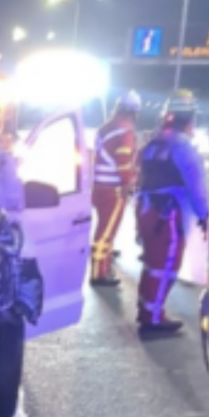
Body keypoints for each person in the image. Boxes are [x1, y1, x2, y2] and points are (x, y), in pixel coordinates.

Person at [134, 89, 209, 332]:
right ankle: (153, 317)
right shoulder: (183, 146)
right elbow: (196, 184)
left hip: (146, 210)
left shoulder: (154, 142)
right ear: (188, 119)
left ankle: (146, 309)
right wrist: (204, 215)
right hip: (166, 214)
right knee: (165, 265)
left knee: (152, 263)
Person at [90, 90, 142, 287]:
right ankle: (99, 273)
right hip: (113, 191)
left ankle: (105, 258)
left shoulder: (106, 127)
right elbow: (124, 165)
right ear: (135, 112)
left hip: (98, 187)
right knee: (105, 233)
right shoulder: (125, 132)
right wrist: (131, 183)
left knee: (103, 229)